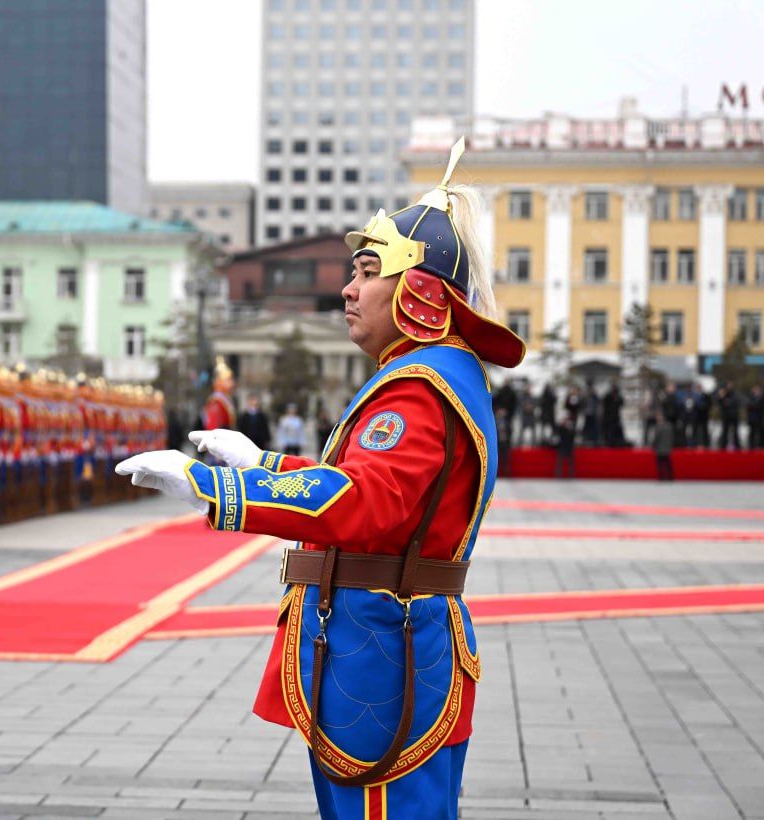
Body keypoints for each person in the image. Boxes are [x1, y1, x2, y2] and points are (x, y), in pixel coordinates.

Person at [119, 140, 525, 819]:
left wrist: (210, 487)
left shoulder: (420, 386)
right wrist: (262, 464)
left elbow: (360, 504)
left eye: (368, 270)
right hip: (387, 643)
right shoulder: (426, 375)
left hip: (384, 651)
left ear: (421, 291)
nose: (348, 287)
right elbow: (369, 485)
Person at [201, 358, 237, 430]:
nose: (232, 383)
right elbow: (213, 426)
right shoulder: (217, 401)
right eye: (228, 380)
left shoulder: (225, 399)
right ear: (219, 382)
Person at [717, 382, 741, 451]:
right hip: (725, 416)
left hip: (734, 416)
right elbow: (720, 402)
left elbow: (736, 403)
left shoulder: (735, 394)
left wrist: (728, 403)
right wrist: (721, 396)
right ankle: (723, 446)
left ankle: (737, 446)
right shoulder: (724, 394)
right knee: (725, 431)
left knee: (735, 432)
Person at [553, 414, 576, 479]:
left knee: (571, 462)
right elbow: (556, 434)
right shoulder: (560, 428)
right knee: (559, 462)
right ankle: (558, 474)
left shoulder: (570, 428)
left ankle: (571, 474)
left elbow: (573, 436)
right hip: (562, 447)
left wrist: (569, 428)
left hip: (569, 447)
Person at [654, 415, 675, 481]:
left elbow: (656, 438)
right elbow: (672, 437)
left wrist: (653, 445)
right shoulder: (669, 426)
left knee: (660, 464)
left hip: (660, 448)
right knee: (667, 463)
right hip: (667, 448)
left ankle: (662, 477)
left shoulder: (659, 427)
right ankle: (670, 476)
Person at [748, 385, 764, 449]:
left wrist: (754, 406)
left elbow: (759, 406)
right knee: (752, 433)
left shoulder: (762, 398)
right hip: (752, 419)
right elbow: (748, 406)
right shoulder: (750, 397)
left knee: (760, 433)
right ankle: (752, 447)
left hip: (759, 418)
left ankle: (761, 446)